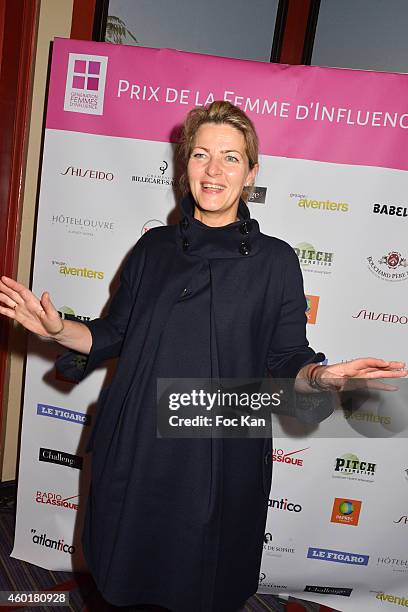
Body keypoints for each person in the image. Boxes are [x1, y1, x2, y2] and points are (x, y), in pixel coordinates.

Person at [0, 101, 406, 612]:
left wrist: (322, 376)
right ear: (184, 165)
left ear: (252, 171)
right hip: (139, 439)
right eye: (201, 155)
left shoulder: (276, 261)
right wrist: (59, 330)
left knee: (204, 583)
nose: (214, 170)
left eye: (231, 157)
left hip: (219, 450)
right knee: (128, 576)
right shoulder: (153, 249)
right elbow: (113, 334)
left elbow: (288, 359)